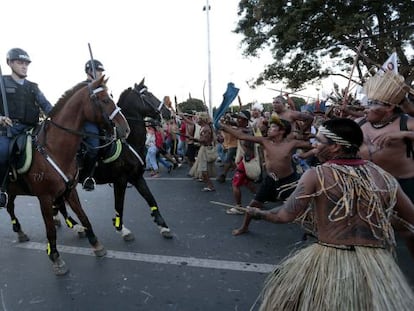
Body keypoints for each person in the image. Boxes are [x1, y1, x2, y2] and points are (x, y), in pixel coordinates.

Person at [246, 118, 414, 310]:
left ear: (335, 147)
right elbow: (411, 218)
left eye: (319, 141)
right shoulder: (383, 176)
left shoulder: (317, 174)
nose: (314, 145)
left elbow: (284, 215)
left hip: (330, 260)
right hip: (375, 266)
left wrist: (259, 213)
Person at [220, 114, 312, 235]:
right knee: (252, 206)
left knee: (302, 208)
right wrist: (221, 126)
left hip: (289, 182)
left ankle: (317, 231)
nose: (269, 129)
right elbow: (240, 135)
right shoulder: (265, 141)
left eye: (273, 127)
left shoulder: (292, 143)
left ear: (281, 131)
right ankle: (244, 227)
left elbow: (313, 146)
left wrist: (308, 140)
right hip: (270, 180)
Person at [0, 48, 53, 208]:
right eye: (20, 62)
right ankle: (2, 189)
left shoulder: (33, 87)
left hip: (32, 129)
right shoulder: (2, 83)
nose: (24, 66)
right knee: (2, 152)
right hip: (9, 129)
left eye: (26, 63)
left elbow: (47, 107)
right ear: (10, 63)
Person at [357, 71, 414, 202]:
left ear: (389, 107)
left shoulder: (406, 123)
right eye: (368, 102)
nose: (367, 108)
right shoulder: (359, 124)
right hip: (371, 186)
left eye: (373, 103)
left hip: (406, 187)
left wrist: (405, 134)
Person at [221, 110, 257, 214]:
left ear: (245, 120)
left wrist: (221, 125)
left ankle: (238, 207)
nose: (237, 120)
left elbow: (229, 129)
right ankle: (260, 198)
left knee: (235, 184)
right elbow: (232, 124)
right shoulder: (247, 129)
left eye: (240, 118)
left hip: (246, 160)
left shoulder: (244, 131)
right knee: (246, 182)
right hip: (247, 159)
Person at [80, 59, 106, 191]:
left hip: (103, 122)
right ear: (90, 71)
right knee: (94, 147)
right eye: (98, 71)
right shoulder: (82, 87)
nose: (101, 73)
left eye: (101, 71)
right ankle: (87, 176)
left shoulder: (102, 87)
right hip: (88, 122)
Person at [189, 112, 216, 191]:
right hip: (203, 148)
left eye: (198, 118)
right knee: (202, 168)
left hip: (205, 149)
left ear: (202, 119)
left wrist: (193, 139)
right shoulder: (205, 127)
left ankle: (210, 186)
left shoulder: (206, 128)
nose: (197, 120)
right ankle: (207, 183)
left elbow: (204, 140)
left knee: (203, 168)